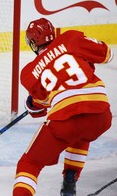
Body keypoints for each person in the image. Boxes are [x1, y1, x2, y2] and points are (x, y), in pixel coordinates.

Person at [13, 18, 113, 196]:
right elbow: (107, 54)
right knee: (82, 130)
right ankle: (69, 183)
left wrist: (31, 104)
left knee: (29, 163)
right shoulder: (71, 38)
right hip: (101, 115)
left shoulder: (28, 72)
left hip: (65, 120)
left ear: (34, 43)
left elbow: (40, 106)